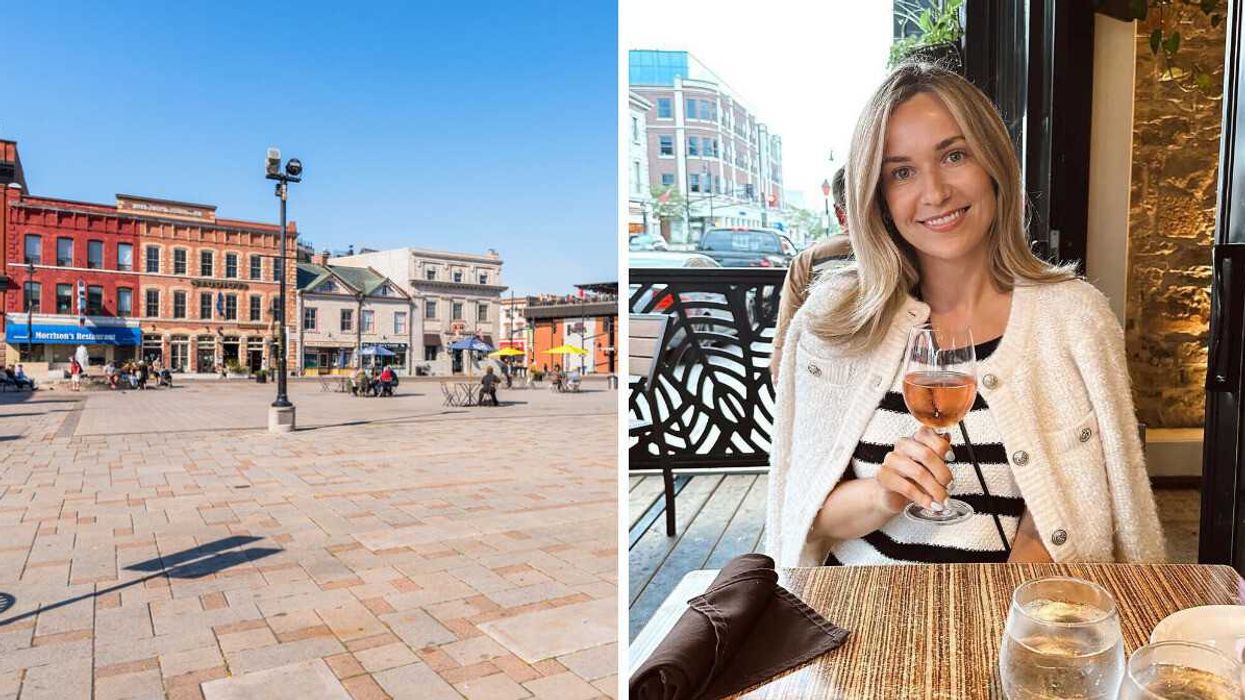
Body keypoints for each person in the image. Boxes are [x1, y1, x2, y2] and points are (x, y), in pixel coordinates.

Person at [766, 62, 1164, 569]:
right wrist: (885, 493)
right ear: (880, 198)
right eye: (902, 172)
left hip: (1010, 624)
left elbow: (1099, 503)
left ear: (994, 165)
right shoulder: (835, 320)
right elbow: (805, 517)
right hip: (857, 624)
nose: (935, 193)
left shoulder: (1073, 320)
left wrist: (1021, 582)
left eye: (954, 155)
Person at [771, 166, 855, 379]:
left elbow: (781, 356)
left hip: (821, 381)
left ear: (839, 214)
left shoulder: (807, 261)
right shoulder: (909, 256)